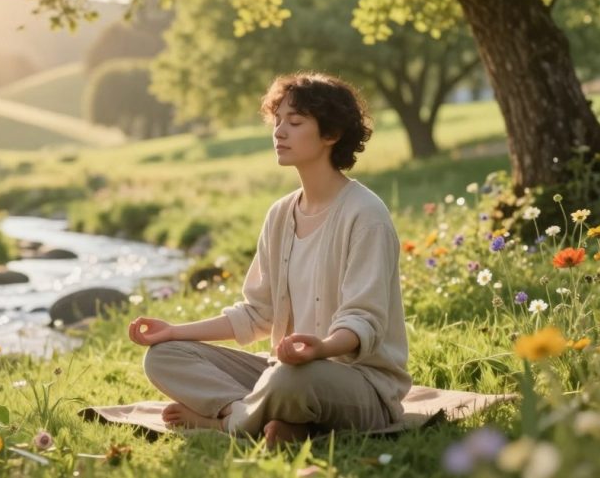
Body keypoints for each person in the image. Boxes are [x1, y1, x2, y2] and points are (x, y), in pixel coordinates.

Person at [127, 72, 411, 446]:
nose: (279, 132)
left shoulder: (365, 216)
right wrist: (175, 331)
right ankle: (276, 423)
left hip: (358, 384)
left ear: (331, 134)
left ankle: (223, 424)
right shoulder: (280, 214)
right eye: (277, 122)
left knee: (289, 380)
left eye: (294, 123)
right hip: (283, 370)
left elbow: (364, 321)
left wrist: (321, 349)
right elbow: (257, 314)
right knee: (163, 357)